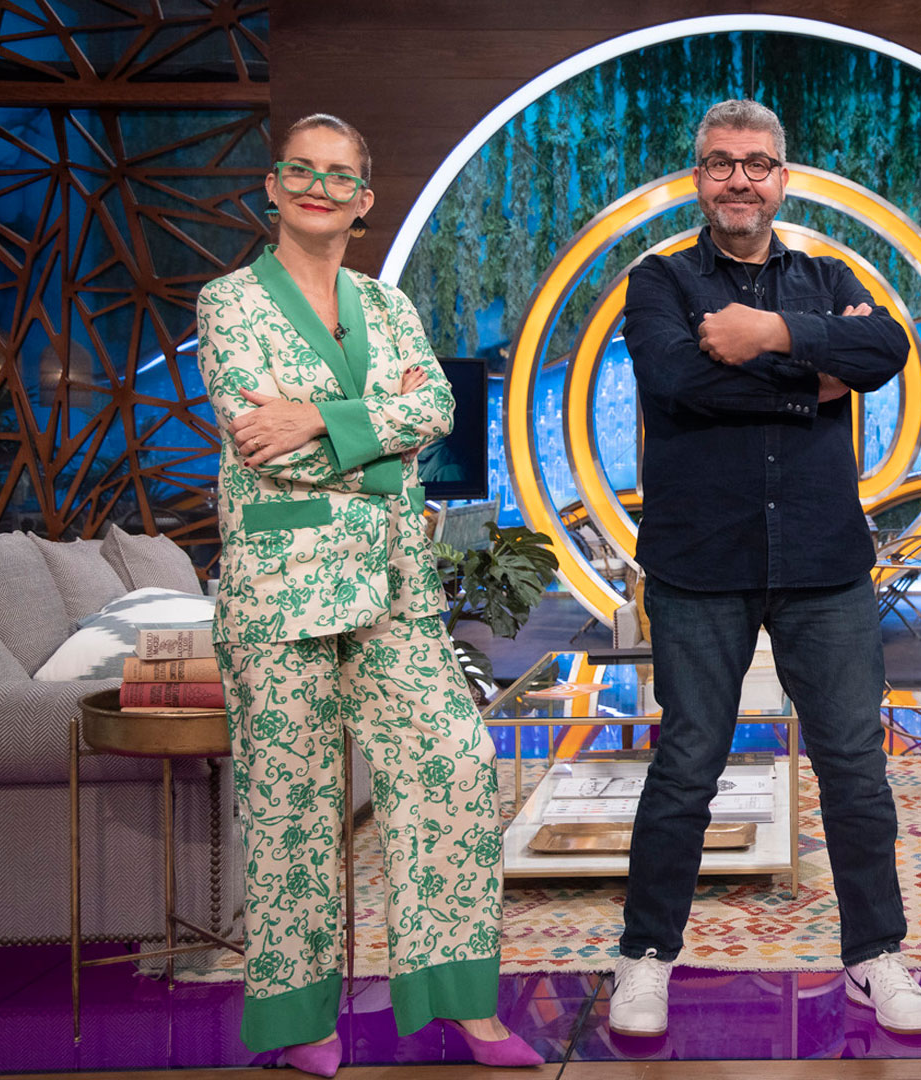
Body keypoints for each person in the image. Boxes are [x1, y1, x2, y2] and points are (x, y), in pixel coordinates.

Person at [196, 113, 542, 1076]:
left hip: (394, 591)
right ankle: (303, 1022)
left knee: (454, 771)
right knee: (291, 811)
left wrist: (315, 416)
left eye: (338, 174)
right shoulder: (228, 302)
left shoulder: (388, 306)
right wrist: (381, 453)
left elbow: (437, 407)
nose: (319, 186)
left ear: (364, 199)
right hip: (280, 595)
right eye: (300, 170)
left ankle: (462, 1004)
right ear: (273, 187)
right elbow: (257, 441)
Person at [606, 99, 921, 1039]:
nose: (739, 179)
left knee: (855, 767)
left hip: (823, 561)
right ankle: (645, 955)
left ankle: (875, 955)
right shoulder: (659, 281)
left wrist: (769, 335)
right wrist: (813, 384)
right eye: (721, 163)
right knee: (687, 765)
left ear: (782, 178)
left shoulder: (828, 276)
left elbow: (886, 348)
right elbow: (677, 379)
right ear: (698, 179)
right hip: (699, 561)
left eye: (757, 163)